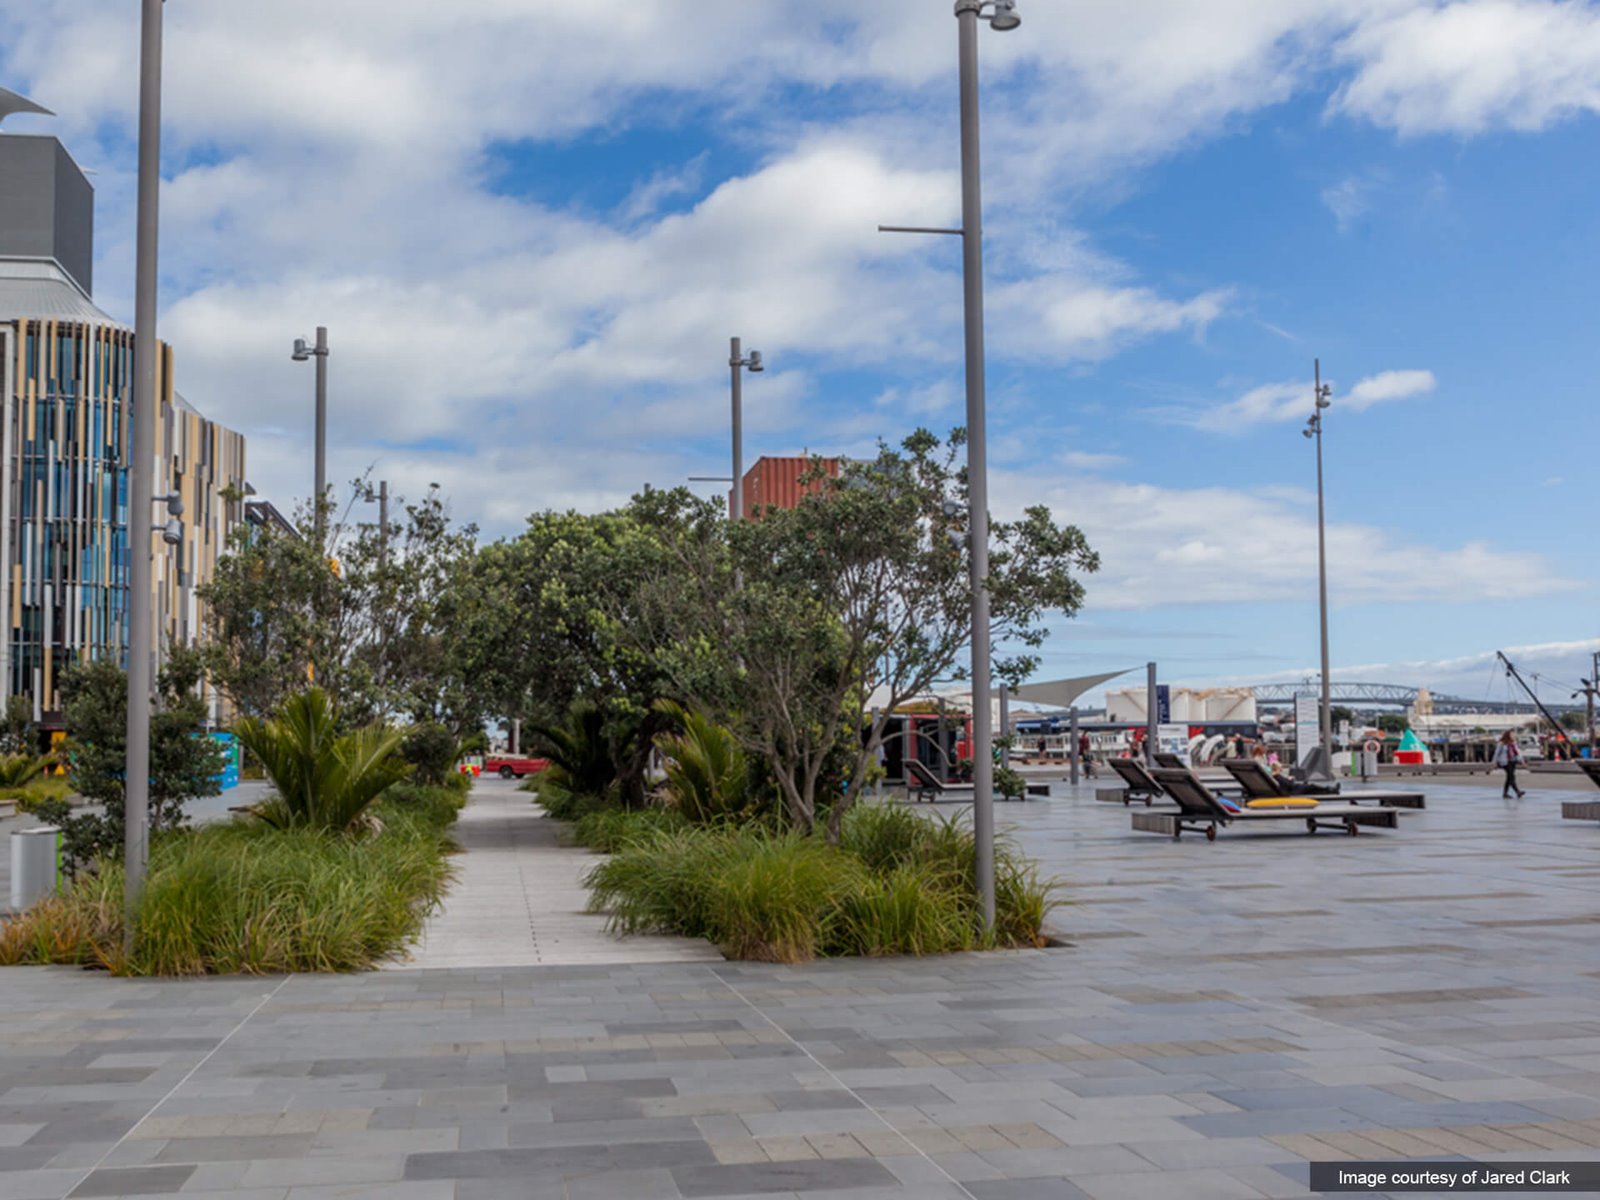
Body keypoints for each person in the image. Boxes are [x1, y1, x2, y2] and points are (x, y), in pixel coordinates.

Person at [1494, 731, 1525, 799]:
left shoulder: (1513, 743)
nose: (1513, 736)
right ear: (1508, 735)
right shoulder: (1501, 744)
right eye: (1512, 735)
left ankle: (1505, 793)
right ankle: (1518, 792)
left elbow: (1518, 752)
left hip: (1513, 761)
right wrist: (1495, 763)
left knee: (1509, 778)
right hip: (1505, 762)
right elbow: (1497, 753)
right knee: (1511, 777)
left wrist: (1522, 761)